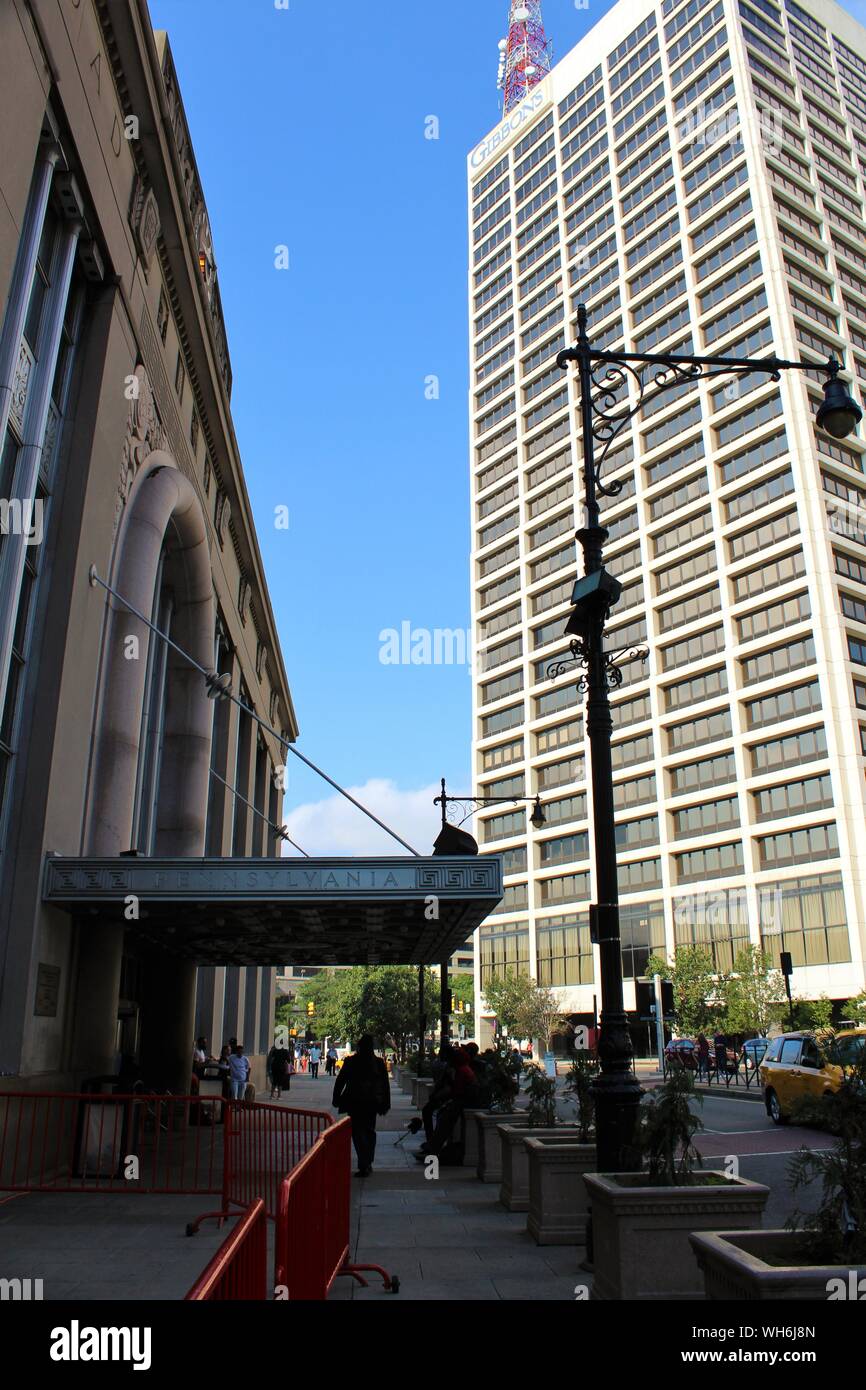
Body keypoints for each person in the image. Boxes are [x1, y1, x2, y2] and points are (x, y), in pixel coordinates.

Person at [332, 1035, 390, 1177]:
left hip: (355, 1102)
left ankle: (364, 1162)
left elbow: (341, 1080)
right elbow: (385, 1085)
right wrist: (385, 1102)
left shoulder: (351, 1061)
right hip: (371, 1102)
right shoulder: (378, 1063)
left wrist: (336, 1097)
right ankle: (367, 1161)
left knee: (358, 1133)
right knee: (369, 1131)